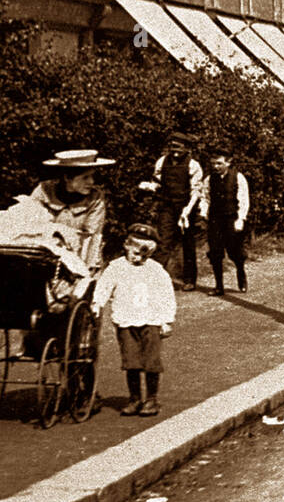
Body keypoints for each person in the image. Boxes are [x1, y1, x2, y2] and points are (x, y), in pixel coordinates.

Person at [91, 223, 176, 417]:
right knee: (131, 361)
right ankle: (135, 398)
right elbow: (104, 286)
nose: (138, 259)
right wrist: (97, 303)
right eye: (135, 253)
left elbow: (166, 295)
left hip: (151, 320)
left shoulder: (156, 270)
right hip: (126, 320)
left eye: (144, 256)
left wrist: (167, 320)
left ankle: (152, 399)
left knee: (151, 361)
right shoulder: (116, 267)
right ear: (126, 246)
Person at [30, 149, 115, 274]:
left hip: (79, 261)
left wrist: (85, 273)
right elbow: (30, 223)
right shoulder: (44, 191)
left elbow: (92, 238)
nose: (91, 182)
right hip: (42, 257)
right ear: (67, 178)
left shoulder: (95, 198)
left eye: (92, 176)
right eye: (85, 177)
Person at [146, 132, 206, 291]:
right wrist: (150, 187)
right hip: (167, 206)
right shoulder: (161, 162)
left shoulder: (193, 166)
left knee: (187, 243)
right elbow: (157, 182)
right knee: (163, 241)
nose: (175, 151)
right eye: (172, 147)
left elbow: (196, 191)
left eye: (179, 147)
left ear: (186, 148)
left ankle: (189, 280)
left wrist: (187, 211)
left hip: (186, 207)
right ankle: (155, 279)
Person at [204, 149, 250, 295]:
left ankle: (241, 272)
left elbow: (244, 200)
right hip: (215, 219)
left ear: (228, 162)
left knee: (234, 251)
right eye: (213, 164)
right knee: (215, 252)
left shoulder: (238, 177)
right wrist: (204, 213)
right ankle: (219, 286)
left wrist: (240, 219)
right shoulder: (209, 179)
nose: (215, 167)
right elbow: (205, 198)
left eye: (219, 163)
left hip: (232, 218)